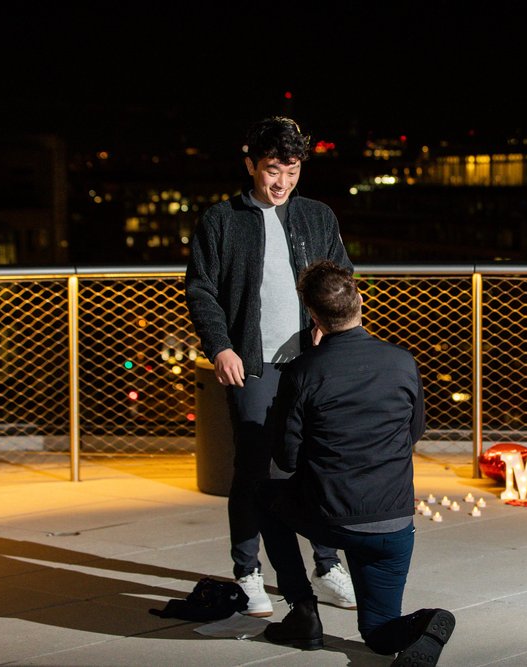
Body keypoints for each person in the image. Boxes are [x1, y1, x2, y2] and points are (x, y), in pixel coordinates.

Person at [185, 117, 356, 616]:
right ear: (250, 166)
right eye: (271, 170)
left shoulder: (318, 216)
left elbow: (340, 276)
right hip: (252, 366)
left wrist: (329, 326)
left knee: (315, 463)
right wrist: (220, 346)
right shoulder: (221, 220)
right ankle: (248, 571)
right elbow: (200, 289)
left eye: (292, 170)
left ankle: (326, 567)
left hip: (311, 361)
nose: (281, 182)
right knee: (255, 468)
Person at [257, 260, 455, 665]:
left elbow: (286, 456)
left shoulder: (304, 371)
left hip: (331, 519)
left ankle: (303, 611)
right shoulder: (402, 361)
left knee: (263, 499)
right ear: (360, 301)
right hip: (393, 524)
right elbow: (414, 431)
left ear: (313, 316)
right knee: (380, 635)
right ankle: (433, 621)